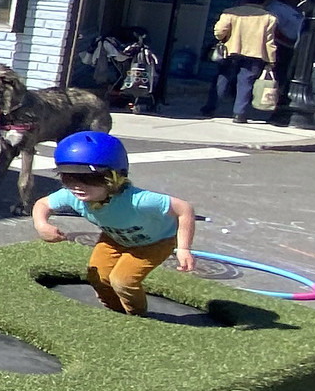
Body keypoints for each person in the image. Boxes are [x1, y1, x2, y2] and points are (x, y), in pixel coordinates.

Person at [31, 129, 196, 316]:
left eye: (89, 178)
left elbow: (184, 209)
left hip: (154, 243)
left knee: (122, 280)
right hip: (114, 239)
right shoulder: (72, 195)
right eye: (68, 178)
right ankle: (115, 312)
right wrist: (41, 224)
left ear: (115, 177)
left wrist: (183, 248)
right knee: (97, 276)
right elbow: (43, 204)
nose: (78, 186)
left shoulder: (137, 200)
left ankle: (138, 316)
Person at [201, 0, 280, 124]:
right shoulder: (269, 18)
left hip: (230, 52)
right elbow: (269, 41)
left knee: (222, 78)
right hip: (255, 55)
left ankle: (211, 107)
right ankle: (239, 113)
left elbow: (219, 32)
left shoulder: (230, 12)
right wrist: (271, 60)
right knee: (246, 83)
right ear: (262, 2)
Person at [267, 0, 303, 123]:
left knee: (285, 77)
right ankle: (274, 108)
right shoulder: (275, 8)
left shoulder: (289, 8)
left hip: (292, 47)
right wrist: (288, 42)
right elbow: (273, 29)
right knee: (279, 78)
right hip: (282, 47)